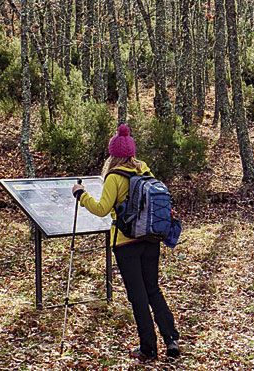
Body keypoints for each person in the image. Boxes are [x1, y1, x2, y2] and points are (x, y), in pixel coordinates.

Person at [72, 124, 181, 361]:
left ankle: (148, 349)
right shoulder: (145, 170)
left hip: (125, 242)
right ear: (132, 152)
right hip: (151, 238)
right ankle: (171, 339)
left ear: (113, 155)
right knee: (153, 289)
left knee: (138, 295)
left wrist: (81, 194)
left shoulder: (114, 177)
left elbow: (101, 209)